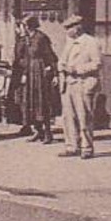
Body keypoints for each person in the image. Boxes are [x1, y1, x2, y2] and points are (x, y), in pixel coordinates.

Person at [58, 14, 102, 159]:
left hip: (83, 83)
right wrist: (61, 69)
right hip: (68, 83)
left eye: (69, 28)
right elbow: (62, 60)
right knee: (68, 117)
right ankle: (71, 146)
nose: (67, 31)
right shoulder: (69, 42)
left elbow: (96, 63)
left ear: (77, 28)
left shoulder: (91, 42)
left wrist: (76, 69)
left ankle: (87, 148)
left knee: (84, 117)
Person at [16, 15, 60, 143]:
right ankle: (38, 131)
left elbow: (51, 57)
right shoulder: (26, 39)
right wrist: (24, 73)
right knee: (30, 102)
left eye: (23, 25)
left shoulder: (41, 38)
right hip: (30, 72)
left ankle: (47, 133)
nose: (21, 28)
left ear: (28, 26)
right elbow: (21, 57)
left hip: (40, 72)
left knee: (41, 102)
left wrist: (55, 74)